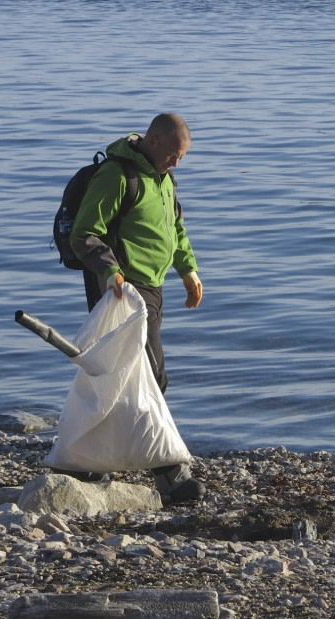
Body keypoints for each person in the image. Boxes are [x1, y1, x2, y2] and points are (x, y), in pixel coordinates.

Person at [67, 113, 205, 501]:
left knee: (123, 376)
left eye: (182, 157)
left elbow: (175, 229)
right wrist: (110, 273)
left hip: (153, 287)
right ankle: (170, 473)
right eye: (174, 155)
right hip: (121, 289)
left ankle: (89, 459)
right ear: (154, 140)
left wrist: (188, 270)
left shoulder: (164, 178)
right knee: (149, 374)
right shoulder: (116, 176)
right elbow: (85, 233)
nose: (177, 163)